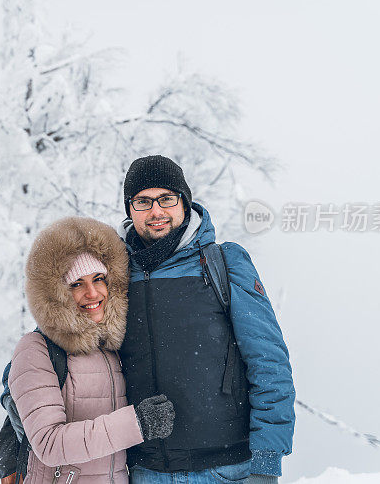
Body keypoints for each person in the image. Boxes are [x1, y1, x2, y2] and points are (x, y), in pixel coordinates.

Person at [117, 155, 296, 484]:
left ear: (184, 202)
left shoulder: (223, 263)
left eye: (166, 199)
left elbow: (268, 361)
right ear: (129, 209)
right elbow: (62, 336)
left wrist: (267, 462)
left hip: (226, 470)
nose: (156, 212)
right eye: (143, 201)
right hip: (145, 472)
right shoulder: (113, 273)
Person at [8, 216, 176, 484]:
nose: (92, 293)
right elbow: (49, 444)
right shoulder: (36, 349)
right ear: (56, 294)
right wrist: (136, 424)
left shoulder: (113, 349)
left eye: (99, 278)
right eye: (76, 284)